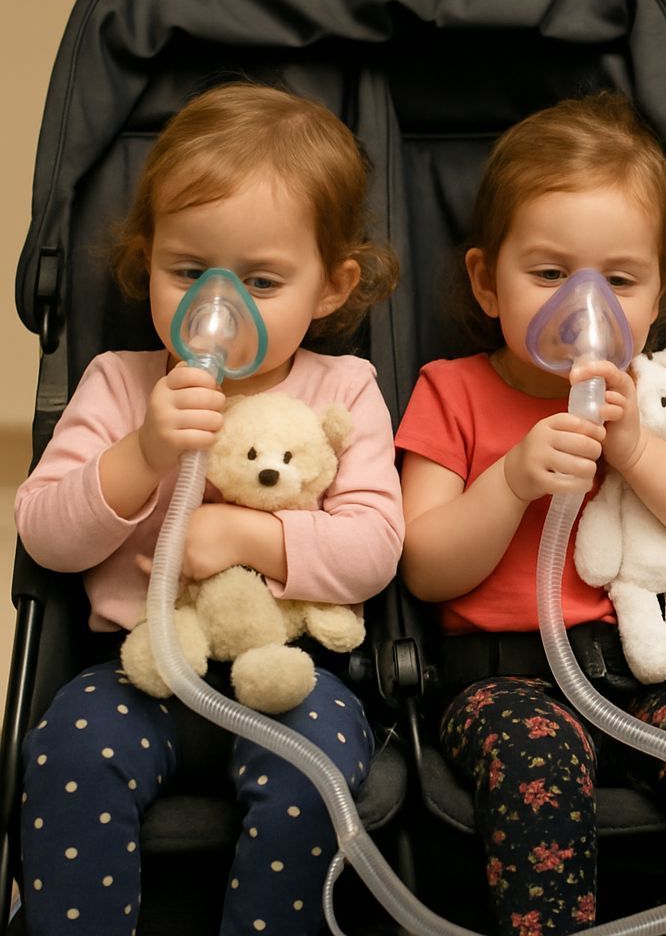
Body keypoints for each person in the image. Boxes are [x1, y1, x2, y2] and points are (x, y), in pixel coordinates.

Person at [396, 91, 666, 936]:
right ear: (484, 280)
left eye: (619, 279)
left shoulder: (663, 394)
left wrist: (638, 454)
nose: (587, 306)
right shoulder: (452, 392)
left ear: (659, 292)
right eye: (548, 275)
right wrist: (508, 482)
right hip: (501, 684)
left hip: (647, 675)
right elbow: (425, 565)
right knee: (534, 760)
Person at [13, 82, 404, 936]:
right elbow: (43, 533)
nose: (215, 308)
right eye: (188, 272)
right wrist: (140, 456)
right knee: (65, 755)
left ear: (332, 287)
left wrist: (247, 534)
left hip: (294, 676)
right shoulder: (122, 383)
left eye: (262, 280)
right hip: (136, 667)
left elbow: (375, 547)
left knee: (319, 776)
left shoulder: (345, 390)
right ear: (147, 259)